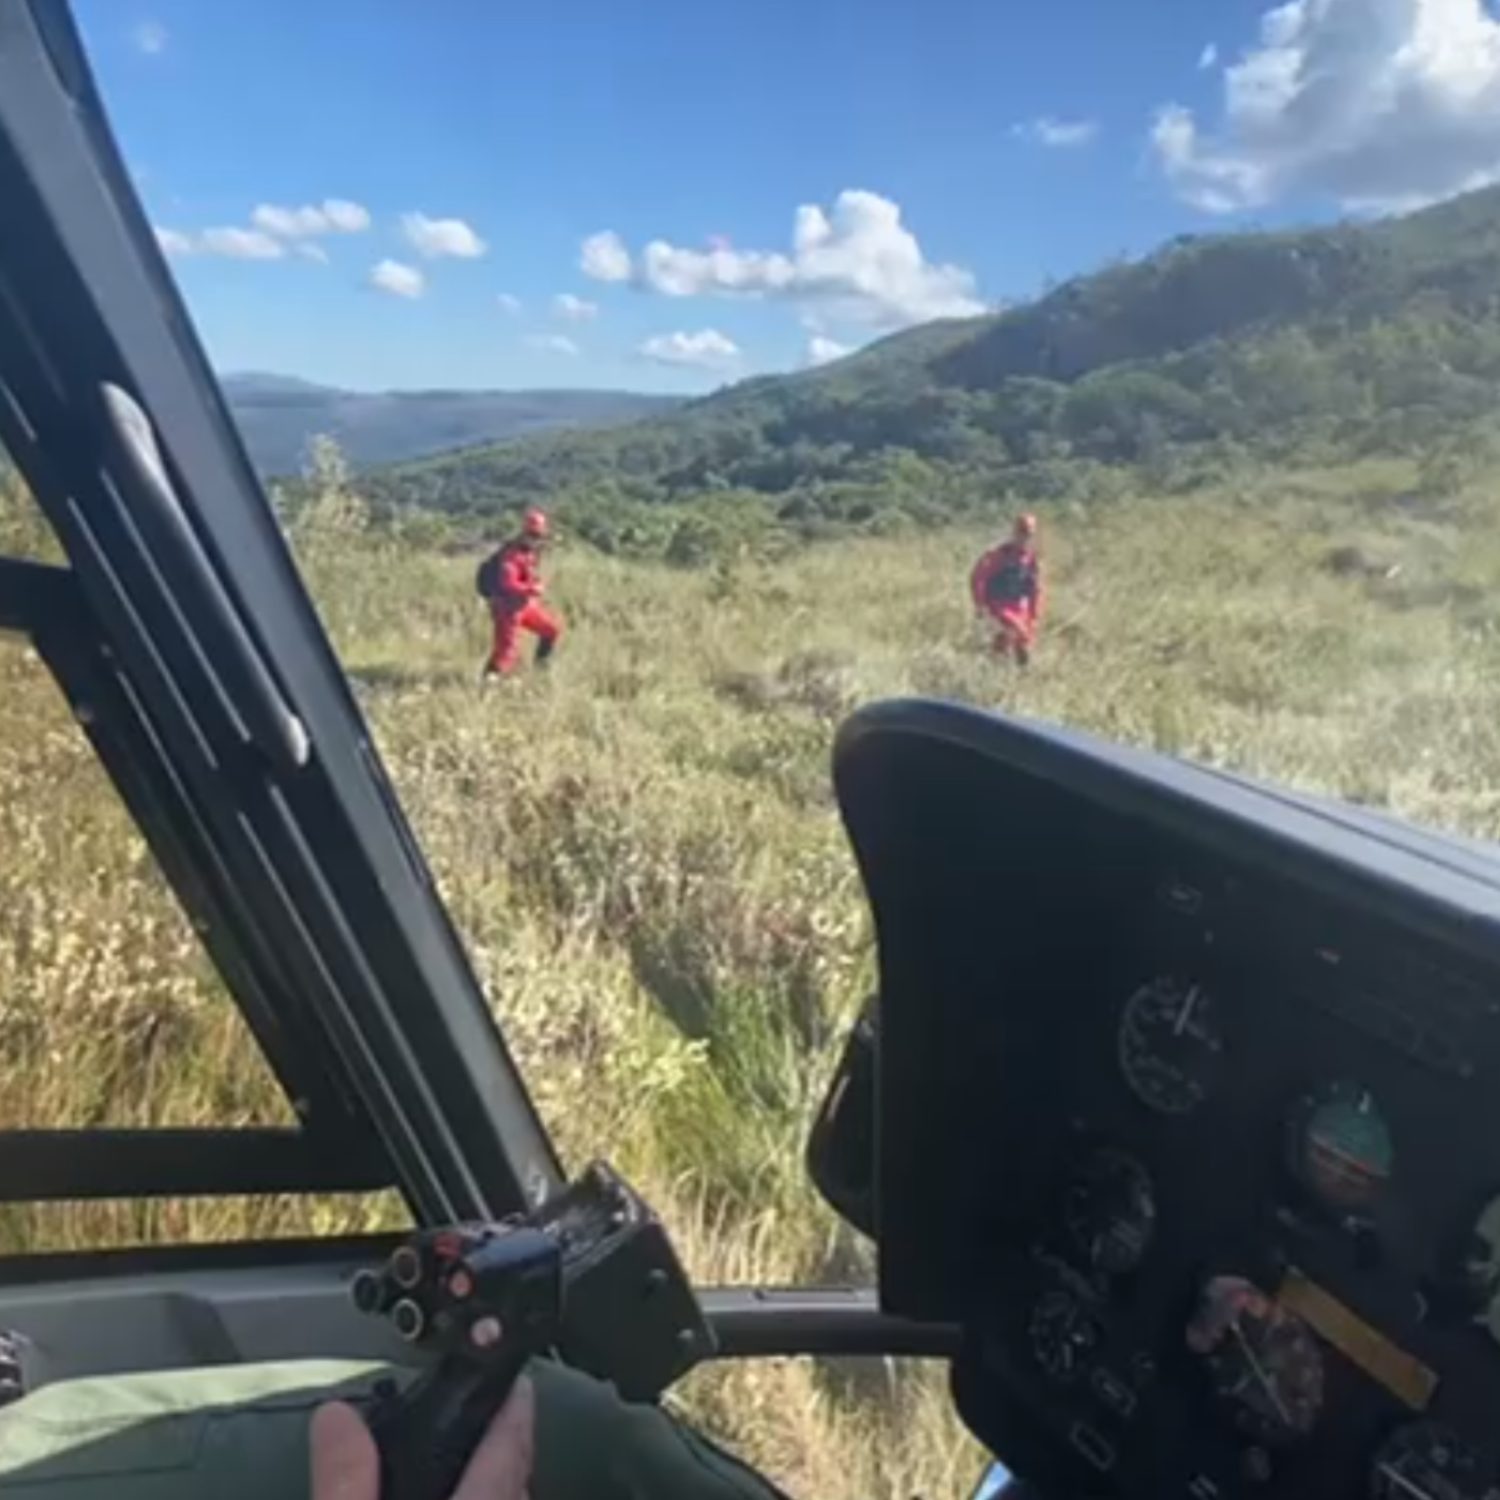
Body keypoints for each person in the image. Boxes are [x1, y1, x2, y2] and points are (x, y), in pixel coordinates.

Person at [480, 508, 563, 680]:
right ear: (525, 532)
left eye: (539, 536)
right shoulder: (511, 553)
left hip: (524, 605)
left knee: (551, 630)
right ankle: (486, 686)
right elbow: (508, 583)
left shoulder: (530, 552)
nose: (537, 540)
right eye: (534, 535)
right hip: (507, 608)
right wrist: (531, 589)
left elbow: (527, 575)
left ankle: (541, 671)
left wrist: (533, 583)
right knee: (506, 652)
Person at [970, 513, 1044, 667]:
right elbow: (978, 578)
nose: (1024, 538)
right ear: (1014, 532)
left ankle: (1014, 677)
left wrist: (1034, 615)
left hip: (1020, 608)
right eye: (1021, 532)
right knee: (1011, 635)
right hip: (998, 606)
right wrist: (980, 605)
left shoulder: (1031, 560)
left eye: (1029, 534)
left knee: (1019, 644)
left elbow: (1035, 589)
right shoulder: (998, 555)